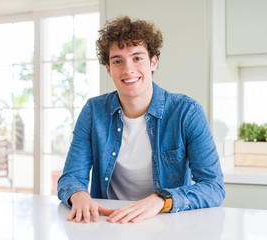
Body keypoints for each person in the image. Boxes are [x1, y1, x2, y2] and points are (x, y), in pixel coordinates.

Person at [57, 16, 225, 224]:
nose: (128, 69)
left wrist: (161, 200)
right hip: (108, 223)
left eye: (137, 58)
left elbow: (213, 187)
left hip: (166, 222)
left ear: (153, 61)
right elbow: (71, 177)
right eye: (117, 61)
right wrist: (79, 195)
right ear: (108, 69)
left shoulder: (187, 112)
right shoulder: (93, 112)